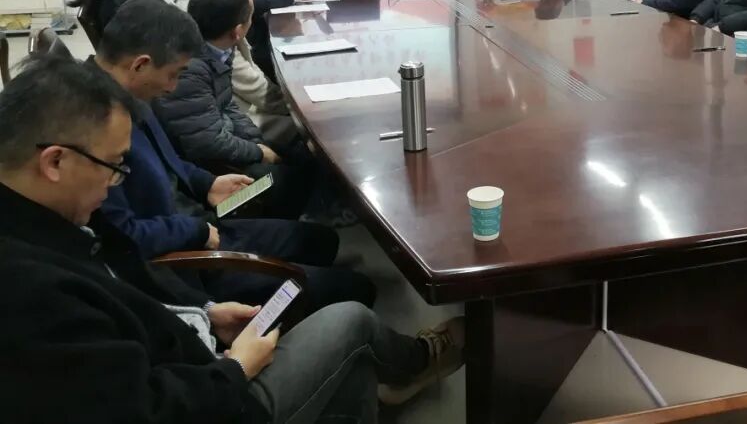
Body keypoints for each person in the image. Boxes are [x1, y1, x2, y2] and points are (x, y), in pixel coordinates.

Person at [0, 55, 464, 423]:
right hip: (214, 395)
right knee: (351, 318)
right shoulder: (29, 291)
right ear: (55, 162)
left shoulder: (50, 218)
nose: (115, 180)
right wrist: (235, 368)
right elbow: (144, 410)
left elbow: (128, 285)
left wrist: (205, 313)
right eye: (114, 166)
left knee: (348, 357)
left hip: (194, 338)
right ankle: (418, 361)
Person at [93, 0, 374, 312]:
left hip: (199, 222)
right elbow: (122, 236)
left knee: (321, 241)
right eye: (173, 74)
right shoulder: (93, 127)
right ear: (140, 65)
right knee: (355, 288)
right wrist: (196, 232)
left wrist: (207, 183)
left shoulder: (129, 95)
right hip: (189, 256)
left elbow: (169, 160)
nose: (173, 87)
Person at [154, 0, 316, 218]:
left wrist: (256, 141)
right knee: (284, 176)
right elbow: (207, 142)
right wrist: (259, 152)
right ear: (239, 30)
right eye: (251, 15)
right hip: (203, 163)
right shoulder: (190, 68)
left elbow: (227, 103)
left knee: (304, 155)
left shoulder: (217, 48)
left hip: (223, 137)